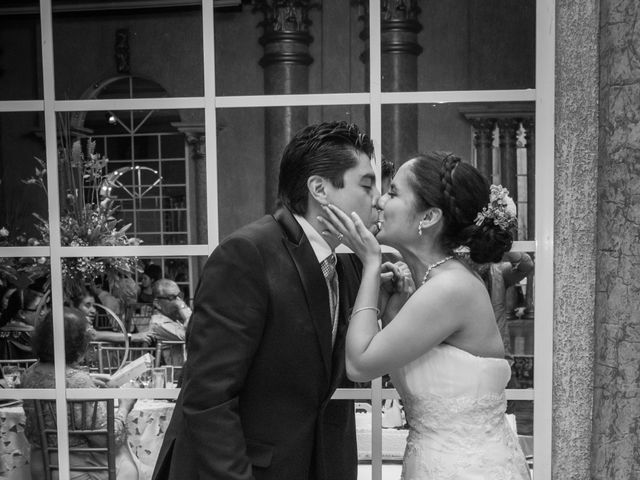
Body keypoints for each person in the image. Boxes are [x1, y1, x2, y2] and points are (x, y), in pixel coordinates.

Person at [152, 121, 380, 480]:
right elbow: (209, 396)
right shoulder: (247, 254)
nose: (377, 199)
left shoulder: (349, 263)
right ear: (320, 189)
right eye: (366, 185)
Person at [320, 152, 531, 479]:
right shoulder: (433, 284)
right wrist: (391, 310)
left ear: (429, 216)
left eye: (393, 193)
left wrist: (371, 264)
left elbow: (360, 364)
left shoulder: (450, 288)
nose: (378, 202)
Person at [21, 307, 138, 480]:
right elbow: (107, 439)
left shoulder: (29, 373)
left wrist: (86, 380)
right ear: (78, 343)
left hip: (40, 465)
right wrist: (125, 406)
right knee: (127, 458)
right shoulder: (77, 381)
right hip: (78, 469)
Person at [70, 289, 153, 345]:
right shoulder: (73, 323)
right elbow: (94, 335)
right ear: (74, 307)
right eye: (87, 305)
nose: (94, 310)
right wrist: (134, 337)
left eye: (94, 306)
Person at [148, 279, 191, 366]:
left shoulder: (172, 318)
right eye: (172, 298)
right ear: (157, 303)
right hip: (172, 377)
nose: (179, 300)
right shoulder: (158, 323)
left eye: (180, 296)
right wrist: (181, 306)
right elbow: (195, 332)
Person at [0, 288, 49, 358]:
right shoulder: (39, 337)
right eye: (40, 308)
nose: (45, 312)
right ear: (22, 313)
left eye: (45, 307)